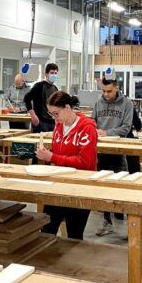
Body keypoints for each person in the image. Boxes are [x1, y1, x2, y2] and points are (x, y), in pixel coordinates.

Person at [35, 91, 97, 240]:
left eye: (56, 113)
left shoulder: (87, 128)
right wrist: (48, 155)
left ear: (68, 108)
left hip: (80, 186)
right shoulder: (59, 125)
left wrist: (53, 157)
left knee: (74, 234)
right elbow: (60, 153)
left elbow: (86, 162)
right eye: (51, 114)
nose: (54, 118)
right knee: (47, 230)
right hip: (58, 184)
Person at [91, 78, 133, 236]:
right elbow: (92, 122)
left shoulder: (127, 104)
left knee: (123, 187)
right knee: (103, 188)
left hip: (118, 151)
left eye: (109, 91)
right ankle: (107, 221)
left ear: (116, 88)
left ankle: (132, 227)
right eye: (103, 91)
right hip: (101, 151)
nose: (106, 94)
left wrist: (107, 133)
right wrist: (94, 130)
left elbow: (126, 128)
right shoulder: (98, 103)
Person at [24, 63, 59, 133]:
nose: (54, 75)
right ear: (46, 74)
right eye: (52, 73)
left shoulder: (55, 88)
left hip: (52, 122)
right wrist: (33, 115)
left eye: (55, 73)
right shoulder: (39, 86)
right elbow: (27, 98)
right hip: (41, 121)